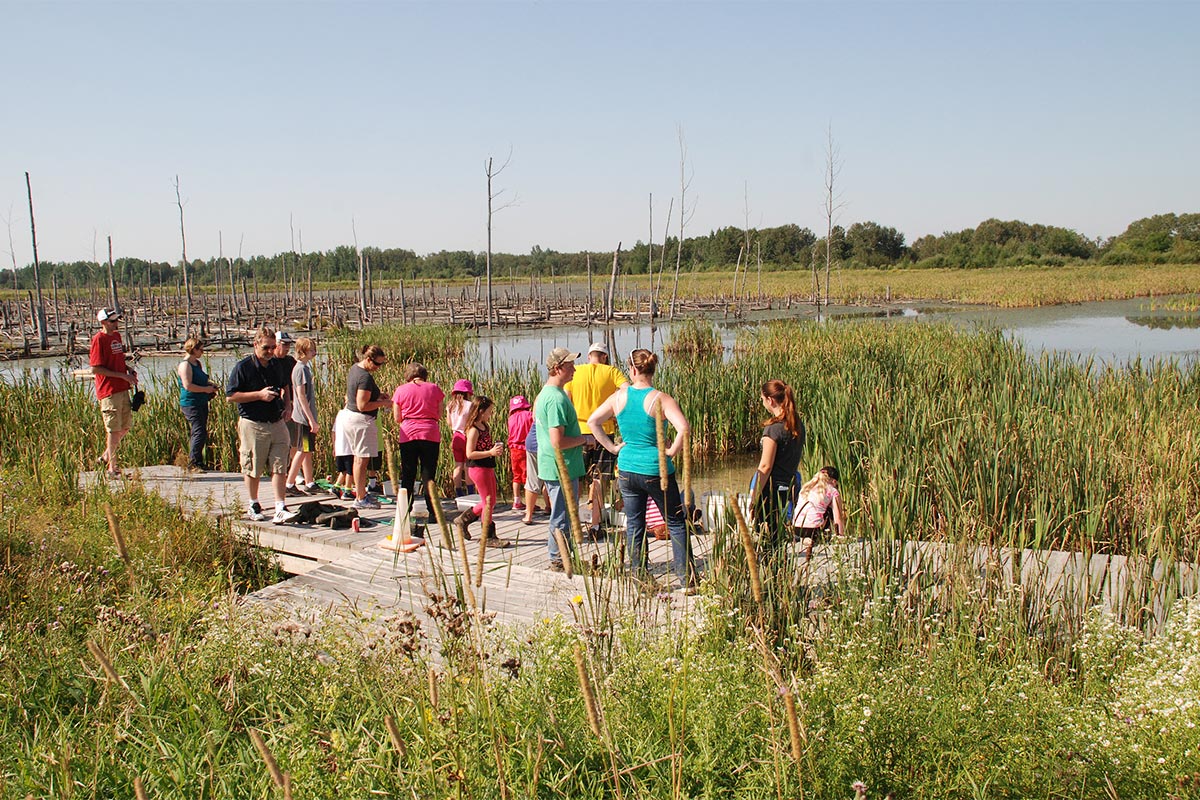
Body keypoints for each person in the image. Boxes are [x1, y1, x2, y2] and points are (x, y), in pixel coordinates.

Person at [589, 349, 695, 590]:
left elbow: (594, 421)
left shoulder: (618, 397)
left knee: (635, 524)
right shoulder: (661, 398)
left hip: (626, 468)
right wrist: (671, 452)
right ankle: (686, 579)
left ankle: (639, 576)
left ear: (633, 370)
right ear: (652, 370)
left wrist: (613, 448)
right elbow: (684, 428)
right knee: (676, 522)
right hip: (656, 469)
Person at [225, 327, 297, 524]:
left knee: (280, 464)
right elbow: (230, 396)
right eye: (266, 347)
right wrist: (259, 395)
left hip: (276, 420)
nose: (271, 351)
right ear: (255, 345)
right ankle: (253, 503)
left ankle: (280, 507)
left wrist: (288, 405)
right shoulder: (243, 367)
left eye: (274, 347)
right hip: (253, 422)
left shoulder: (276, 365)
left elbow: (285, 385)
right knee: (253, 465)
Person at [566, 342, 628, 540]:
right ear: (605, 357)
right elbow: (626, 390)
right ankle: (595, 525)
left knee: (576, 477)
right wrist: (614, 410)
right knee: (599, 478)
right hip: (603, 431)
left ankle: (573, 523)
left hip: (578, 432)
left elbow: (566, 397)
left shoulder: (577, 371)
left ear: (589, 356)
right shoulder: (611, 372)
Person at [534, 348, 588, 572]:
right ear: (557, 369)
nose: (574, 369)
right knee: (562, 515)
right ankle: (558, 559)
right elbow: (558, 441)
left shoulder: (546, 394)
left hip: (556, 465)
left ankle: (563, 556)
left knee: (564, 512)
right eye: (569, 366)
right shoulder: (555, 399)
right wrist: (584, 439)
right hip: (560, 466)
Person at [752, 379, 805, 546]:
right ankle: (780, 569)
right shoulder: (797, 424)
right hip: (788, 486)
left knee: (766, 536)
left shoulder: (773, 429)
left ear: (770, 400)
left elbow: (765, 466)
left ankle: (772, 569)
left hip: (771, 489)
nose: (762, 403)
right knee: (777, 535)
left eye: (762, 399)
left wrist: (754, 497)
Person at [90, 308, 138, 479]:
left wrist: (128, 370)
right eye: (112, 321)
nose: (116, 324)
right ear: (103, 323)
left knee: (124, 426)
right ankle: (112, 468)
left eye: (117, 320)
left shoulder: (117, 337)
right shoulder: (98, 340)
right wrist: (121, 375)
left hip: (122, 387)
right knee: (112, 428)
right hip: (108, 390)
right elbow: (96, 368)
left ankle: (106, 457)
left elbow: (117, 360)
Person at [457, 396, 511, 547]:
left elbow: (484, 446)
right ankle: (487, 536)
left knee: (491, 500)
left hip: (487, 465)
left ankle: (464, 520)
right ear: (480, 411)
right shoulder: (473, 430)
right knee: (488, 502)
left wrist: (493, 450)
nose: (490, 414)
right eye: (489, 411)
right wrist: (490, 452)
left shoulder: (484, 426)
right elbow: (469, 454)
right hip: (478, 467)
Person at [344, 344, 392, 509]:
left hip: (352, 418)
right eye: (377, 364)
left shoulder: (355, 369)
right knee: (361, 460)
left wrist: (378, 395)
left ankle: (361, 494)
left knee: (360, 459)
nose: (379, 368)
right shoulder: (365, 377)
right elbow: (362, 404)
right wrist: (383, 403)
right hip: (360, 421)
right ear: (368, 359)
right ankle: (360, 498)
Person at [391, 362, 444, 509]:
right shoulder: (434, 388)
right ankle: (433, 512)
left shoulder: (400, 390)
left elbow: (397, 417)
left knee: (408, 474)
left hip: (408, 433)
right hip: (430, 432)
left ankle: (406, 510)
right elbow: (439, 414)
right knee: (429, 475)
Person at [176, 337, 219, 471]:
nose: (202, 352)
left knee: (201, 431)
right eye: (200, 350)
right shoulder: (185, 365)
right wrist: (206, 390)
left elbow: (201, 380)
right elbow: (188, 385)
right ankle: (193, 462)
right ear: (193, 349)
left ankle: (198, 461)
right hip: (190, 403)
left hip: (201, 401)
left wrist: (210, 385)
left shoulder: (197, 364)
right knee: (198, 431)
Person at [285, 337, 320, 496]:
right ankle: (290, 482)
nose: (314, 352)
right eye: (311, 349)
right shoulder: (300, 369)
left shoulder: (304, 368)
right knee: (302, 449)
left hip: (305, 417)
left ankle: (309, 481)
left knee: (306, 450)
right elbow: (300, 395)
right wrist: (311, 419)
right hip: (303, 417)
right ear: (303, 351)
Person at [794, 466, 845, 540]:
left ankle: (804, 538)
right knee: (830, 509)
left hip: (797, 528)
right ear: (834, 481)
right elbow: (838, 517)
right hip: (813, 529)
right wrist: (841, 535)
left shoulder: (806, 488)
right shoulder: (833, 491)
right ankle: (823, 534)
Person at [520, 411, 551, 526]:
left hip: (532, 441)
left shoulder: (539, 399)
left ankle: (529, 515)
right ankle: (552, 511)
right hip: (545, 444)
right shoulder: (555, 399)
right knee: (551, 479)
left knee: (533, 480)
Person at [446, 379, 474, 496]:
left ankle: (458, 491)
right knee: (468, 466)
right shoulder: (470, 405)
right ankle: (471, 493)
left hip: (456, 436)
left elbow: (449, 423)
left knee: (458, 465)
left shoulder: (450, 405)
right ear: (467, 393)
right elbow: (473, 421)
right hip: (467, 436)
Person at [275, 331, 298, 468]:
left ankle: (294, 469)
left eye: (289, 344)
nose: (287, 348)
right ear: (276, 344)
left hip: (293, 404)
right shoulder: (271, 362)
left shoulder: (290, 361)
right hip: (277, 407)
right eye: (284, 344)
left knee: (295, 439)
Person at [507, 395, 533, 509]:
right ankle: (530, 504)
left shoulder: (511, 418)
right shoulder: (529, 415)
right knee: (529, 476)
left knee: (516, 476)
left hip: (513, 448)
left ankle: (516, 500)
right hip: (525, 448)